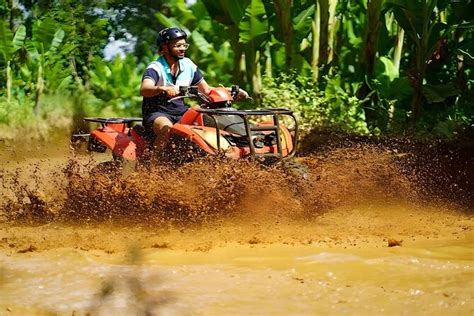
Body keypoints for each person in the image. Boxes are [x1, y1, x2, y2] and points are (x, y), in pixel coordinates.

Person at [140, 27, 248, 151]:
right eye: (177, 46)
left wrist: (230, 91)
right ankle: (154, 166)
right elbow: (145, 89)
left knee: (205, 121)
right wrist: (162, 88)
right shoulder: (155, 67)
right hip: (157, 113)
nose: (182, 49)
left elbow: (206, 90)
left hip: (181, 111)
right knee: (166, 128)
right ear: (165, 48)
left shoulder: (188, 65)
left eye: (184, 45)